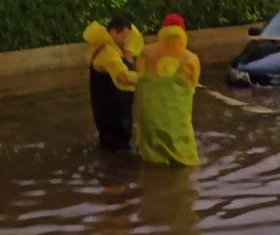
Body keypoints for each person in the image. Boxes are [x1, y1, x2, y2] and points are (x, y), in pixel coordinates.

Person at [135, 14, 202, 167]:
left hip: (148, 122)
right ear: (183, 33)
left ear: (163, 31)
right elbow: (192, 86)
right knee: (185, 164)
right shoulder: (190, 59)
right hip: (176, 123)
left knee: (150, 161)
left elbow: (138, 77)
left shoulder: (144, 53)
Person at [83, 14, 143, 152]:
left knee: (109, 147)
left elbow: (134, 34)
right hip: (112, 114)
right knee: (119, 150)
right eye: (122, 37)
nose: (124, 42)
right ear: (113, 32)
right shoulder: (109, 52)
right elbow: (122, 76)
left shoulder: (101, 44)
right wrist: (147, 79)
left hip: (104, 111)